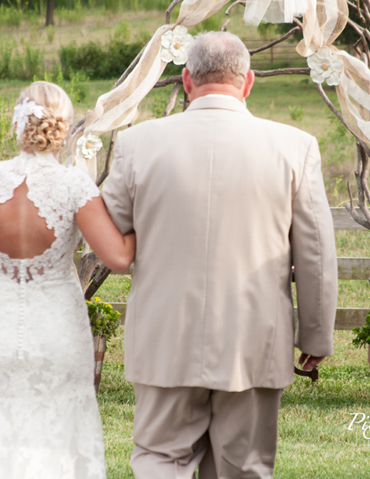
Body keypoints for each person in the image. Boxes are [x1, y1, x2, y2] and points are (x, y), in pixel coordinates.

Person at [102, 32, 337, 479]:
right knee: (244, 468)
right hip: (254, 338)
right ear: (247, 82)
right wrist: (316, 335)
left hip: (163, 335)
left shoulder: (136, 143)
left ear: (187, 80)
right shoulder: (294, 146)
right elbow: (316, 254)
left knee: (158, 460)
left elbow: (108, 230)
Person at [0, 82, 135, 478]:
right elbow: (119, 257)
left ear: (17, 121)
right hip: (58, 327)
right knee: (58, 434)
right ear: (64, 126)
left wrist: (8, 277)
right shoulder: (74, 185)